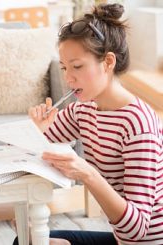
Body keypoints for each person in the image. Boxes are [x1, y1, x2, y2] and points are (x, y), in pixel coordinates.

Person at [13, 3, 163, 245]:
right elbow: (38, 146)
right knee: (26, 240)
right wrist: (38, 130)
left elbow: (137, 229)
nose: (68, 77)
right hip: (121, 240)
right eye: (64, 67)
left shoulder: (138, 125)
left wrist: (87, 173)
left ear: (108, 62)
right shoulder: (84, 109)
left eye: (77, 66)